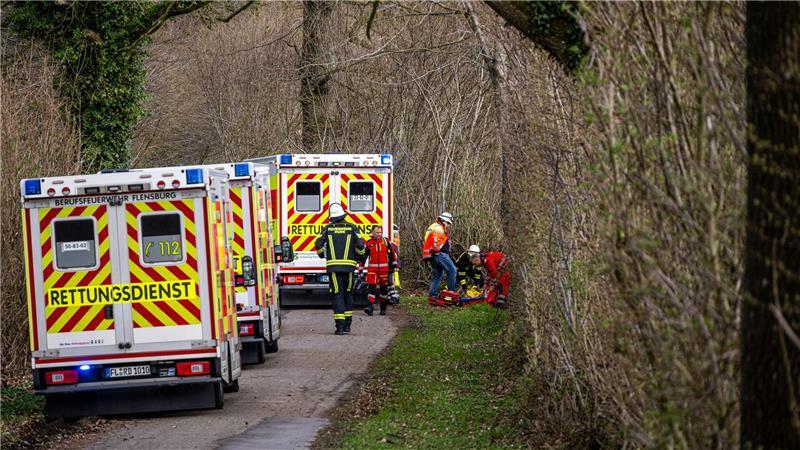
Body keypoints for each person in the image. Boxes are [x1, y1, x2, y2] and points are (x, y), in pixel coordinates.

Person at [315, 203, 365, 335]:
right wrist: (360, 257)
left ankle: (340, 327)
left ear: (331, 217)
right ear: (343, 215)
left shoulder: (328, 228)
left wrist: (321, 254)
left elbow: (318, 243)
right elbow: (360, 245)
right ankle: (348, 325)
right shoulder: (352, 227)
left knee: (337, 294)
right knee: (348, 293)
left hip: (333, 268)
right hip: (349, 268)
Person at [363, 225, 398, 316]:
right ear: (372, 233)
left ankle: (383, 308)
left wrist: (394, 266)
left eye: (380, 232)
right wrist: (361, 269)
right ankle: (370, 307)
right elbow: (363, 258)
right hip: (372, 270)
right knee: (371, 288)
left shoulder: (386, 242)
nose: (378, 234)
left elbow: (393, 255)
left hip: (384, 270)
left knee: (383, 290)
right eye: (377, 232)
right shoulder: (369, 243)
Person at [421, 212, 456, 301]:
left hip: (432, 255)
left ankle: (432, 295)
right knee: (452, 270)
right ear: (443, 220)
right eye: (448, 223)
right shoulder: (438, 228)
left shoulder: (433, 226)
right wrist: (437, 250)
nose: (448, 226)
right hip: (439, 254)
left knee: (437, 275)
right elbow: (435, 241)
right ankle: (451, 294)